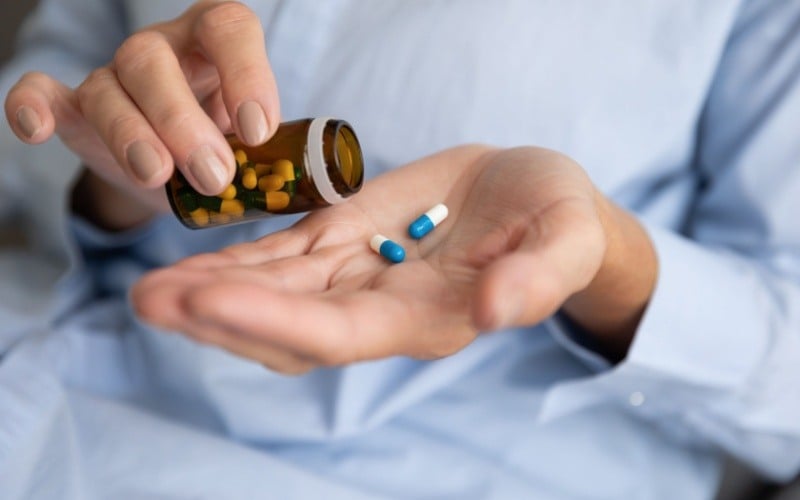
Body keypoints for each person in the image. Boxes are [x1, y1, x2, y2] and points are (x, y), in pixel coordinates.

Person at [1, 1, 799, 498]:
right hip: (57, 361)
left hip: (455, 463)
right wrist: (124, 173)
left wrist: (605, 251)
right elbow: (44, 99)